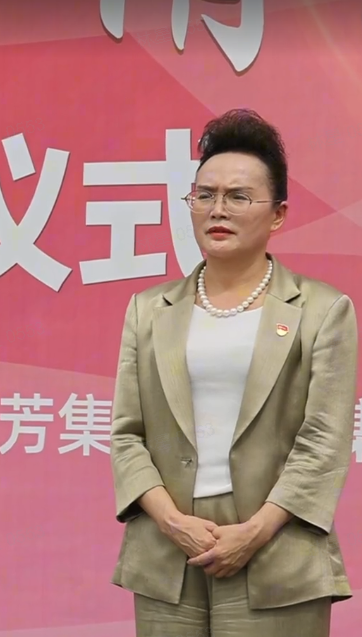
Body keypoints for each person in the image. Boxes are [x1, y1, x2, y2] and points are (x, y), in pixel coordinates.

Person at [108, 109, 357, 636]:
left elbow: (324, 441)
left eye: (239, 196)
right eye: (205, 195)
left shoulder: (322, 310)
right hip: (167, 552)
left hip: (277, 550)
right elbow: (127, 435)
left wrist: (256, 531)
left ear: (278, 214)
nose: (218, 209)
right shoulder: (148, 310)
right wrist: (172, 522)